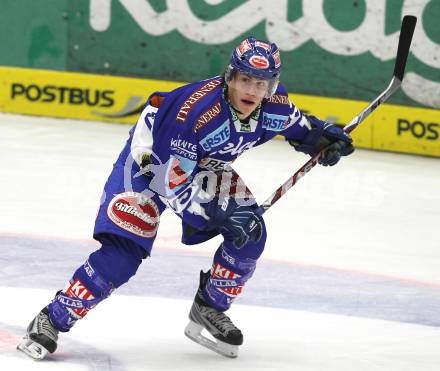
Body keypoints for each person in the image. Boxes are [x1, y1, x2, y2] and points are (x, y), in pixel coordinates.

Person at [17, 36, 354, 360]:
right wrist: (218, 216)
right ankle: (51, 318)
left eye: (260, 84)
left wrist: (324, 139)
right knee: (124, 253)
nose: (252, 90)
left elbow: (303, 128)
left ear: (271, 86)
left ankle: (210, 306)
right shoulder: (196, 115)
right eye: (245, 79)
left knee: (250, 232)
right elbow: (170, 185)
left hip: (205, 165)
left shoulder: (274, 104)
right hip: (151, 164)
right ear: (230, 76)